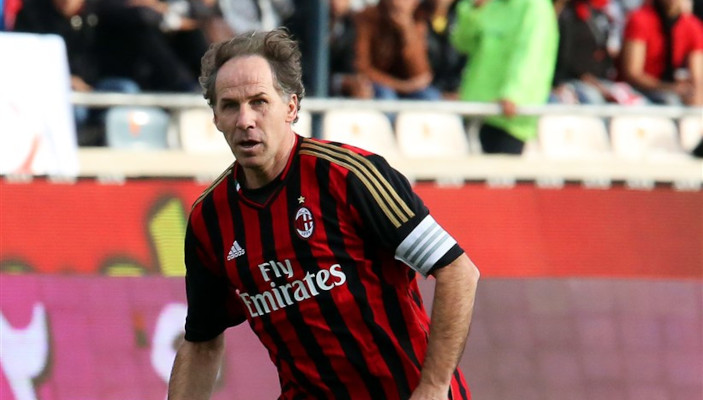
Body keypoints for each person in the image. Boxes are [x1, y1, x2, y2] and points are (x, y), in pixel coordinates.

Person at [167, 28, 480, 400]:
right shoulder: (210, 220)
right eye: (230, 105)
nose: (245, 119)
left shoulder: (349, 176)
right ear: (216, 118)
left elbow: (457, 271)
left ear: (291, 108)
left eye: (259, 101)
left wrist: (433, 387)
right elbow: (201, 342)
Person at [450, 0, 559, 154]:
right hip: (476, 108)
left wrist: (513, 94)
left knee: (501, 167)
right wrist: (474, 9)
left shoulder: (535, 6)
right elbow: (462, 44)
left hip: (509, 115)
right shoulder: (487, 4)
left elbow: (532, 54)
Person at [619, 0, 703, 105]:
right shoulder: (640, 18)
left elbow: (697, 77)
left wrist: (692, 93)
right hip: (639, 89)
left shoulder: (692, 25)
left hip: (670, 89)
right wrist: (670, 88)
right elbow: (632, 74)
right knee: (670, 101)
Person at [354, 0, 442, 101]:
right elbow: (362, 68)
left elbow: (422, 76)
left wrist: (408, 32)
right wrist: (402, 86)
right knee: (386, 96)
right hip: (379, 85)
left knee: (431, 97)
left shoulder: (418, 19)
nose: (398, 3)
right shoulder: (368, 17)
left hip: (408, 87)